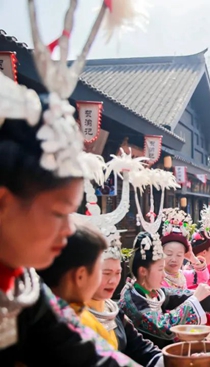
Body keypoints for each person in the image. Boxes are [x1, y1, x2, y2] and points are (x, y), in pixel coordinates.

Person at [0, 95, 135, 365]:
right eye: (59, 213)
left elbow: (85, 352)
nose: (68, 228)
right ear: (4, 202)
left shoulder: (26, 285)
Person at [39, 223, 163, 366]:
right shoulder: (65, 323)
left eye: (118, 273)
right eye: (102, 272)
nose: (113, 280)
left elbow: (140, 348)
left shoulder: (113, 311)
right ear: (80, 275)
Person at [119, 232, 210, 348]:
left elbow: (181, 295)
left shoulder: (153, 290)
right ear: (143, 271)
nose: (163, 275)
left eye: (179, 255)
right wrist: (195, 299)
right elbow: (163, 327)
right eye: (160, 269)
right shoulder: (132, 300)